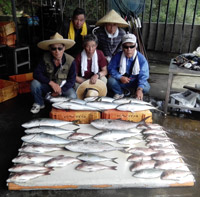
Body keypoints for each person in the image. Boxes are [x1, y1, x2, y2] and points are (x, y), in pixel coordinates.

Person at [30, 32, 77, 114]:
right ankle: (39, 103)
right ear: (50, 49)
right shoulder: (44, 58)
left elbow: (72, 80)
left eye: (60, 48)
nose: (57, 51)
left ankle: (58, 103)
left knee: (73, 96)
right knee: (34, 83)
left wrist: (60, 90)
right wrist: (51, 83)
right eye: (54, 49)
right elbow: (36, 73)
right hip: (48, 86)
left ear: (64, 48)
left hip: (63, 88)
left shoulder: (71, 61)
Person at [107, 33, 150, 100]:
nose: (129, 49)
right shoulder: (117, 56)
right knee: (110, 81)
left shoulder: (141, 58)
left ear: (135, 46)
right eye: (126, 47)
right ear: (122, 47)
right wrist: (120, 77)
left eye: (131, 47)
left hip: (135, 81)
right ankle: (120, 93)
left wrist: (140, 89)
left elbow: (144, 75)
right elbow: (111, 69)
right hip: (121, 81)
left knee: (146, 87)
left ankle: (134, 92)